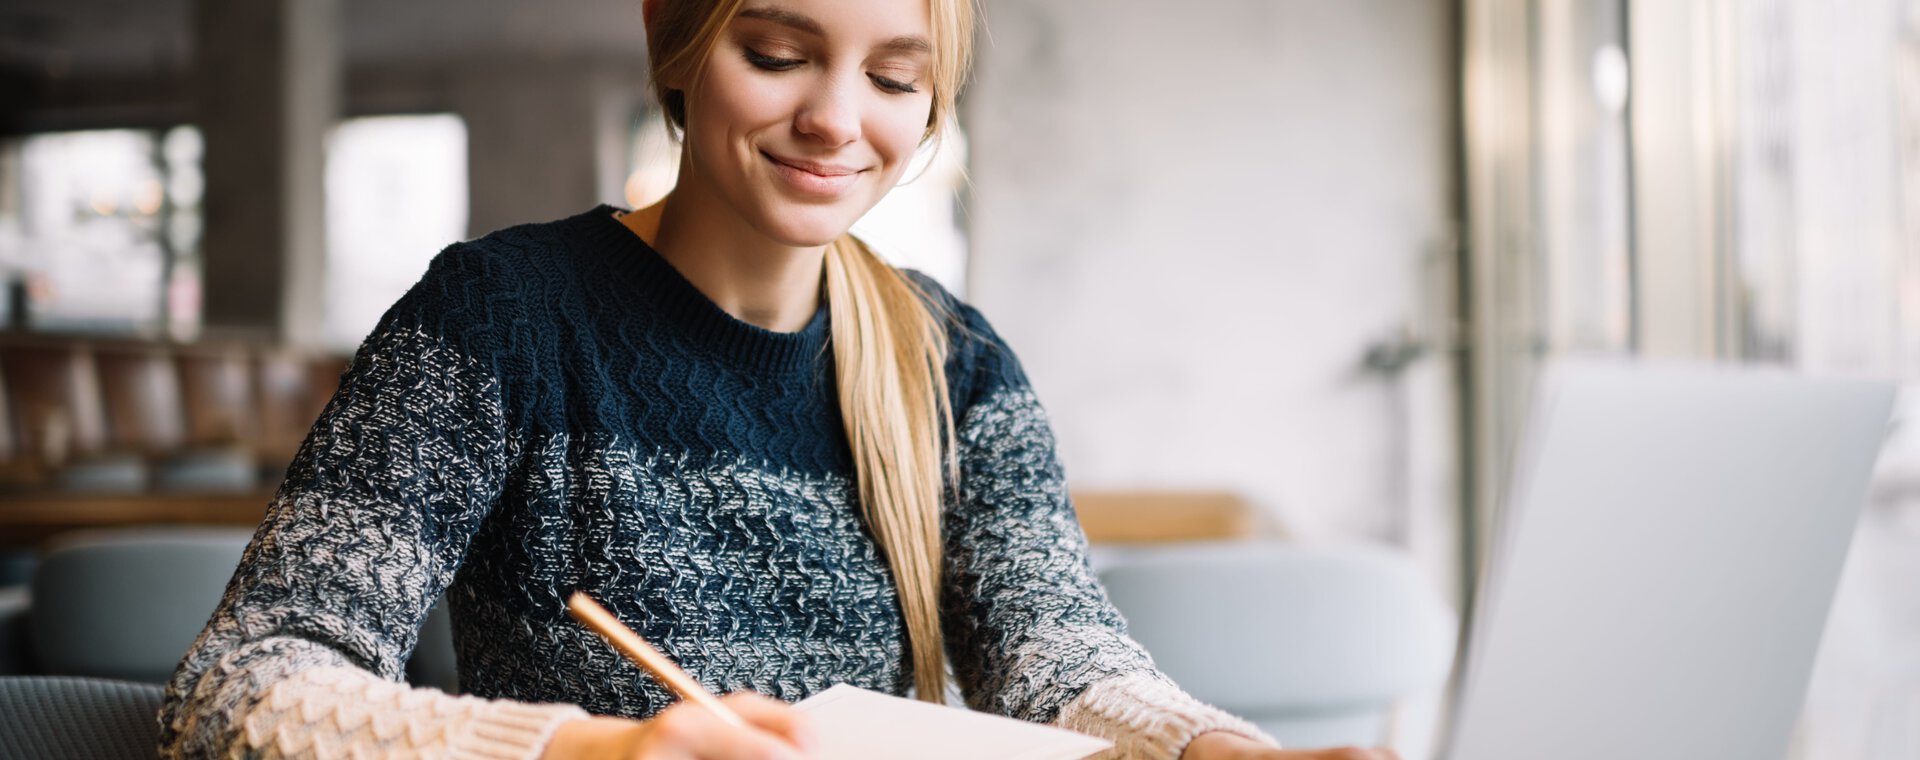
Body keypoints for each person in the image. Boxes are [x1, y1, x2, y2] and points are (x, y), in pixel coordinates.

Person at [158, 0, 1402, 758]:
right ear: (673, 34)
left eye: (895, 78)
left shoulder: (956, 365)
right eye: (778, 51)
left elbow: (1058, 659)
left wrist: (1214, 750)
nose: (835, 119)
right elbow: (240, 689)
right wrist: (600, 751)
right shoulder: (500, 319)